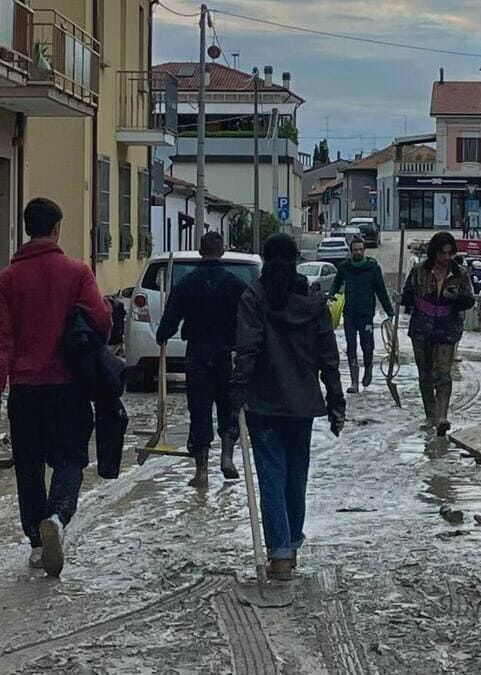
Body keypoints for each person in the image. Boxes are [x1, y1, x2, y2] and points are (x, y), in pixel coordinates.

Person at [0, 197, 111, 577]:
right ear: (56, 229)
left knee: (29, 466)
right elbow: (101, 322)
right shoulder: (77, 273)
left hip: (25, 391)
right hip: (69, 388)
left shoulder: (6, 280)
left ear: (28, 229)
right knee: (71, 459)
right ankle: (57, 516)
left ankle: (38, 543)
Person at [230, 233, 346, 581]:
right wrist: (336, 402)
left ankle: (279, 554)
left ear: (265, 260)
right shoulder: (313, 303)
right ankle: (291, 546)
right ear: (296, 260)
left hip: (264, 403)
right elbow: (329, 356)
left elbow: (246, 351)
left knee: (272, 477)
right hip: (303, 405)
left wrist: (235, 396)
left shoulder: (253, 298)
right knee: (296, 478)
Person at [155, 231, 248, 488]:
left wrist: (162, 336)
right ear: (222, 251)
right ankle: (227, 456)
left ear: (199, 251)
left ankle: (202, 471)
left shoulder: (187, 283)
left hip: (198, 353)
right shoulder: (236, 285)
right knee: (229, 407)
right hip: (227, 355)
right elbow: (248, 321)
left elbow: (171, 319)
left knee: (200, 409)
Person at [400, 231, 475, 436]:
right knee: (425, 375)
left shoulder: (460, 273)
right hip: (421, 329)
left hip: (447, 330)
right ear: (435, 252)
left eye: (450, 253)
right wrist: (400, 299)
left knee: (442, 374)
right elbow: (408, 297)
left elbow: (470, 300)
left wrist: (456, 298)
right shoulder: (418, 271)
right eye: (443, 253)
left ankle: (442, 416)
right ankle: (431, 414)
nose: (446, 258)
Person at [329, 236, 395, 393]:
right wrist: (330, 298)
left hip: (366, 314)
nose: (358, 252)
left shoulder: (373, 268)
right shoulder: (345, 267)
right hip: (349, 314)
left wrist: (390, 312)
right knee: (351, 346)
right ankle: (354, 382)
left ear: (364, 250)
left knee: (367, 346)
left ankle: (368, 368)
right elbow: (335, 285)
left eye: (360, 249)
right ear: (351, 251)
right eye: (355, 250)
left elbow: (381, 291)